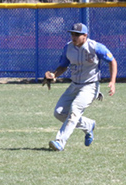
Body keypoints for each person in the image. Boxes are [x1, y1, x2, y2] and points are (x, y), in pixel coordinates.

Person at [45, 22, 117, 151]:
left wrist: (112, 81)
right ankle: (88, 125)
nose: (74, 37)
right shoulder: (68, 48)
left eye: (77, 35)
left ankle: (60, 142)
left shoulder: (95, 47)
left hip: (90, 86)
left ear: (85, 36)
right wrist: (54, 75)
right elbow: (63, 66)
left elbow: (112, 61)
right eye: (72, 34)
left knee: (75, 109)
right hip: (74, 85)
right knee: (59, 113)